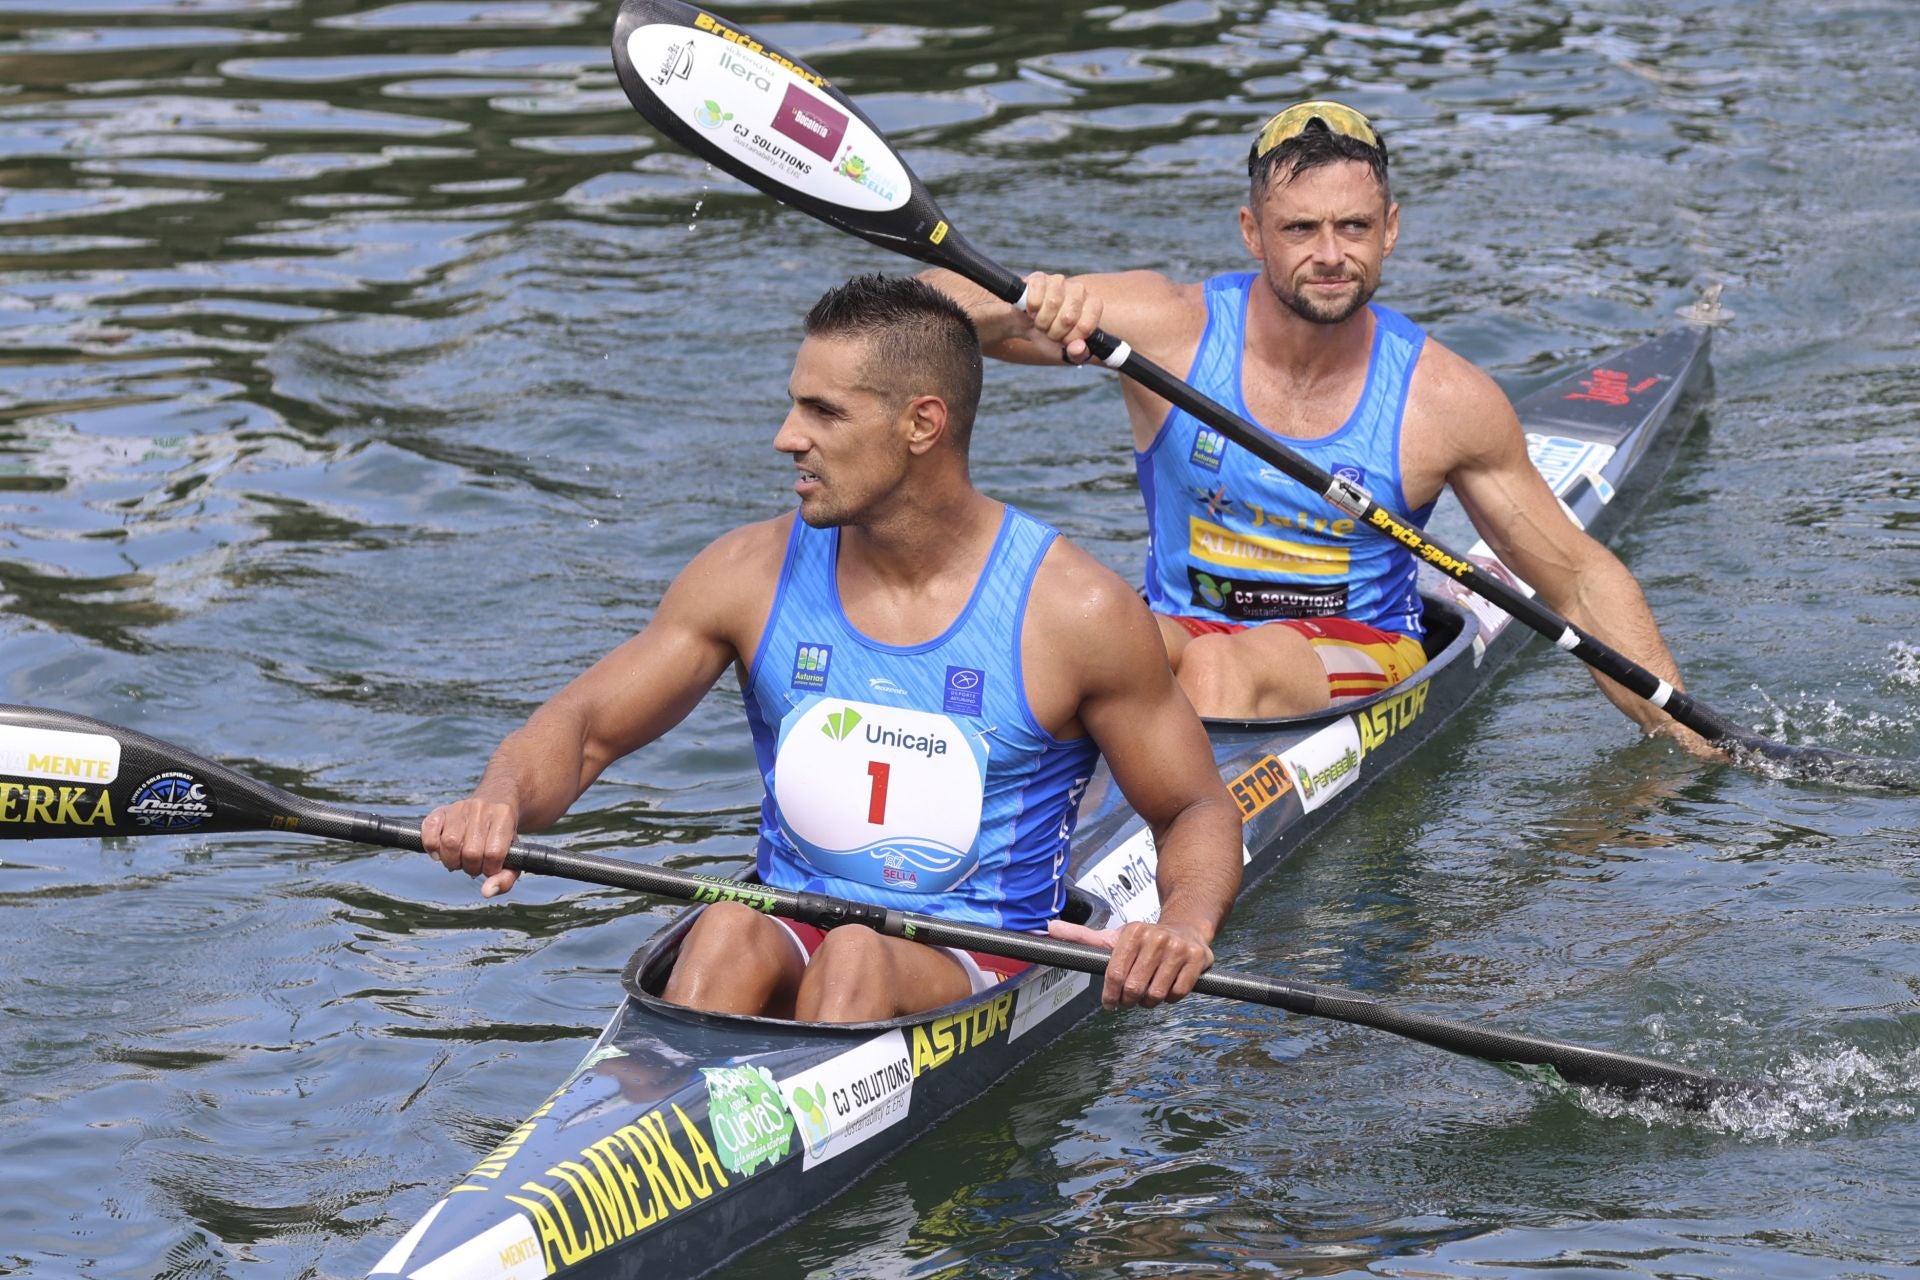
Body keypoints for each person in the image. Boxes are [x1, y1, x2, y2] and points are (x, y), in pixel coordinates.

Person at [422, 274, 1243, 1023]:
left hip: (976, 956)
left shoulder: (1075, 611)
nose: (787, 437)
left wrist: (1182, 926)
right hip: (786, 926)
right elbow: (586, 725)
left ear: (923, 423)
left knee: (853, 962)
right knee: (723, 929)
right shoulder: (747, 574)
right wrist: (501, 802)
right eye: (794, 406)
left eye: (824, 412)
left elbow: (1194, 808)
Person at [921, 100, 1710, 752]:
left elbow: (1574, 578)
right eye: (1300, 230)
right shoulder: (1167, 327)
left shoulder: (1443, 399)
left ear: (1390, 229)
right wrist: (1023, 302)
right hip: (1181, 632)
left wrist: (1691, 741)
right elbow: (927, 310)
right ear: (1251, 231)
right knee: (1045, 645)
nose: (1330, 255)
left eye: (1354, 228)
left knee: (1219, 674)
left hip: (1360, 650)